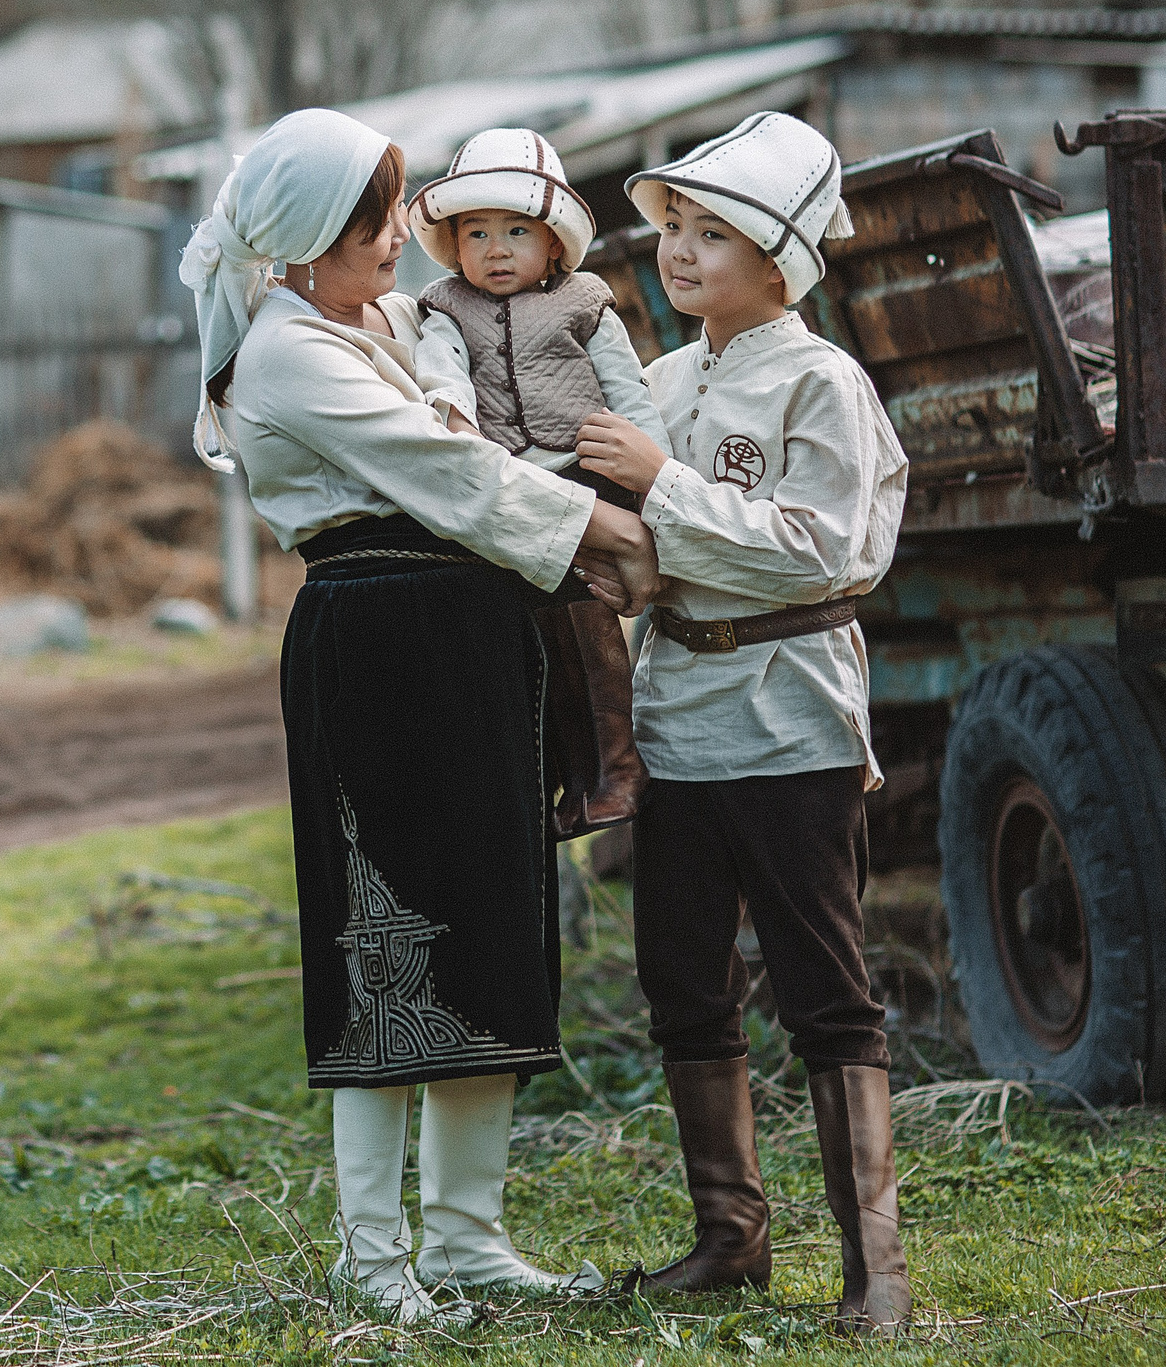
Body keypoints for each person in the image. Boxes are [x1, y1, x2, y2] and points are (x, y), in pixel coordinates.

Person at [182, 107, 660, 1325]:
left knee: (493, 922)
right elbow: (446, 472)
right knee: (382, 937)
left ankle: (466, 1236)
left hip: (472, 631)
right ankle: (374, 1254)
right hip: (377, 634)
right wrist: (595, 527)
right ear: (299, 243)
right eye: (375, 220)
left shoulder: (392, 320)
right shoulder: (287, 353)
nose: (403, 235)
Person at [573, 110, 914, 1334]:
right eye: (673, 229)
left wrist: (661, 487)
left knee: (824, 988)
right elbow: (628, 554)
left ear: (784, 263)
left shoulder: (823, 383)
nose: (679, 253)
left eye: (713, 234)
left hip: (788, 720)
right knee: (682, 983)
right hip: (674, 720)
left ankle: (874, 1266)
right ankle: (731, 1238)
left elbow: (830, 552)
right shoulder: (662, 383)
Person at [408, 128, 669, 840]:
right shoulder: (445, 308)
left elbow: (630, 392)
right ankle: (574, 778)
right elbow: (442, 371)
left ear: (554, 242)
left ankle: (619, 766)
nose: (496, 249)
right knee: (537, 634)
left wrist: (656, 481)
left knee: (587, 619)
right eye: (478, 233)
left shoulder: (586, 303)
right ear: (455, 245)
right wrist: (456, 422)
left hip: (586, 474)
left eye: (516, 230)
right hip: (514, 488)